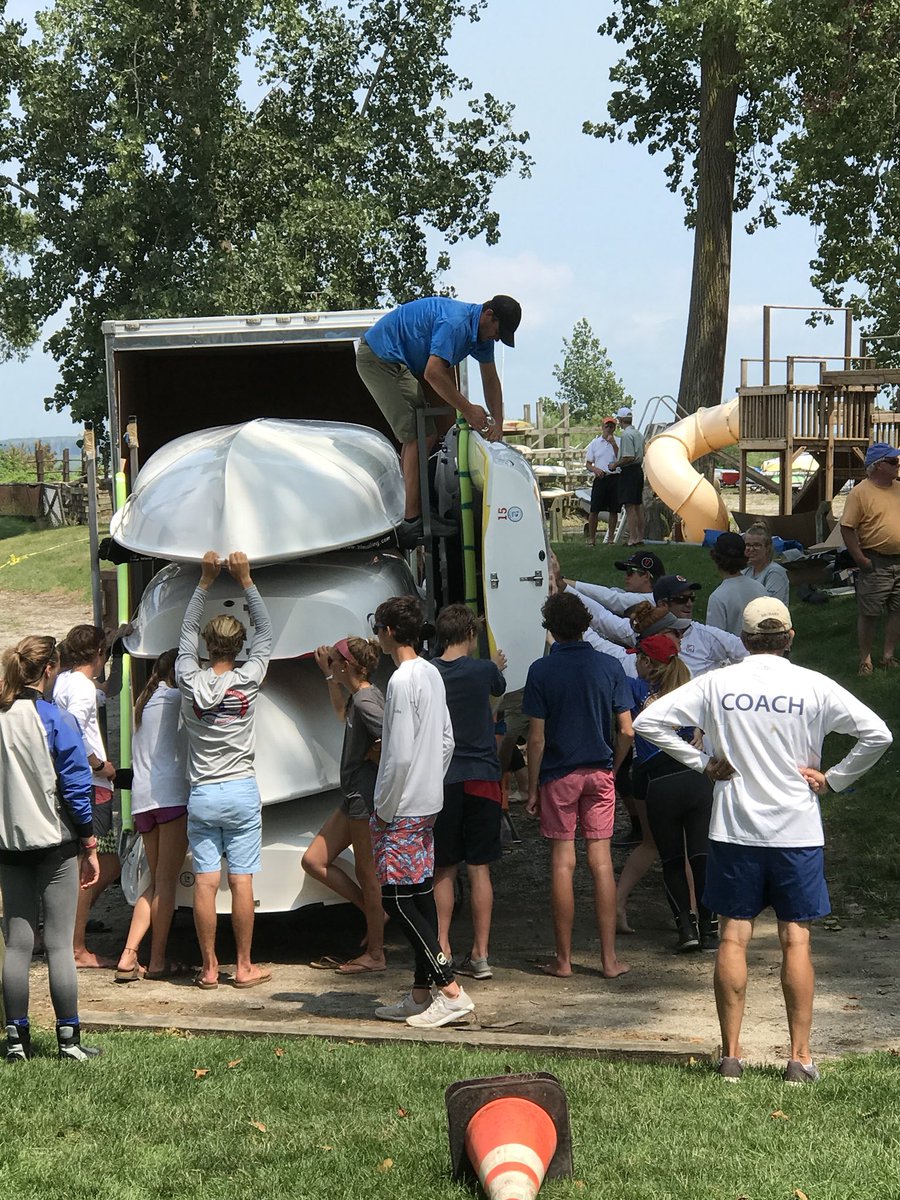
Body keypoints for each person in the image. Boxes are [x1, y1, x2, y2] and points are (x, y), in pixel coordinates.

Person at [633, 596, 892, 1083]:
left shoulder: (719, 682)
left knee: (733, 934)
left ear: (745, 641)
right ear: (790, 637)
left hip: (735, 828)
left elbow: (649, 722)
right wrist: (834, 778)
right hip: (797, 828)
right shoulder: (813, 685)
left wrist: (702, 763)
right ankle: (799, 1058)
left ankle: (731, 1056)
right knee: (796, 938)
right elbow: (877, 734)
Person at [368, 597, 471, 1028]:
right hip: (429, 799)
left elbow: (399, 755)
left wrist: (386, 807)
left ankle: (450, 990)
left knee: (397, 897)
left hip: (404, 805)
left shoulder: (399, 680)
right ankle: (419, 991)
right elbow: (445, 740)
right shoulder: (430, 671)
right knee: (419, 893)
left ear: (389, 632)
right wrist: (431, 779)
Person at [1, 636, 102, 1061]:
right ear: (48, 670)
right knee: (59, 944)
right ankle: (68, 1040)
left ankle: (15, 1041)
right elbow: (77, 786)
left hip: (8, 842)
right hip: (55, 842)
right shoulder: (55, 719)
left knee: (17, 944)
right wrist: (89, 839)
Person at [176, 550, 273, 990]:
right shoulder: (248, 678)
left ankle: (210, 968)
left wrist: (204, 581)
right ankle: (245, 966)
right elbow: (266, 634)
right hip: (240, 791)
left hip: (203, 793)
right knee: (242, 881)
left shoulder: (186, 677)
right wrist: (246, 579)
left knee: (205, 882)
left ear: (206, 646)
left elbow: (185, 634)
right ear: (238, 647)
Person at [523, 591, 633, 980]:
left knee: (562, 864)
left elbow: (535, 739)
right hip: (599, 772)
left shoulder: (541, 671)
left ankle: (564, 960)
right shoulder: (609, 666)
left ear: (551, 628)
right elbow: (626, 731)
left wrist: (533, 787)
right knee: (601, 864)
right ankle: (608, 960)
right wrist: (614, 769)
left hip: (559, 775)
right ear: (586, 624)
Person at [356, 295, 521, 547]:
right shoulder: (456, 323)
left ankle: (414, 508)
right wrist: (467, 409)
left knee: (426, 433)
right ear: (489, 315)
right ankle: (411, 522)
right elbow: (433, 373)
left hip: (397, 364)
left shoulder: (481, 334)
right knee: (414, 435)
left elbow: (490, 379)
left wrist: (498, 424)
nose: (496, 338)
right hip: (377, 359)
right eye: (498, 332)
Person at [302, 635, 387, 975]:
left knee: (369, 875)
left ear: (348, 665)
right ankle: (373, 913)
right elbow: (340, 711)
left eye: (335, 660)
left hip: (363, 800)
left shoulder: (367, 702)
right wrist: (326, 675)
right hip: (351, 796)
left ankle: (377, 955)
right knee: (314, 860)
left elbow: (396, 739)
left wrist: (374, 756)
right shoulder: (359, 697)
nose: (331, 663)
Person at [431, 604, 507, 980]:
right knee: (480, 868)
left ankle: (441, 947)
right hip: (482, 776)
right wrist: (495, 662)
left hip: (442, 779)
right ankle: (481, 954)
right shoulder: (484, 670)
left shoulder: (428, 672)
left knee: (443, 866)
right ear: (470, 635)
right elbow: (498, 689)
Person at [629, 634, 716, 951]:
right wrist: (699, 729)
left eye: (639, 657)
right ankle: (710, 928)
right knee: (702, 857)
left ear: (648, 662)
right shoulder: (690, 688)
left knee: (672, 860)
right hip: (695, 779)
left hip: (659, 781)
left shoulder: (635, 688)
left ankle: (686, 928)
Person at [114, 649, 191, 983]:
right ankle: (157, 959)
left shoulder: (143, 704)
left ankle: (128, 954)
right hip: (170, 796)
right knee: (165, 884)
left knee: (152, 881)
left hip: (142, 801)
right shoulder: (177, 699)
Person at [53, 624, 121, 969]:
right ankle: (76, 944)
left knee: (86, 866)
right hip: (93, 785)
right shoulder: (80, 688)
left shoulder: (66, 681)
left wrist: (119, 651)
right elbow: (74, 733)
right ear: (97, 654)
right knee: (100, 866)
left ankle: (65, 930)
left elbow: (108, 690)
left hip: (72, 784)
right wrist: (100, 765)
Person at [839, 441, 900, 675]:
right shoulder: (859, 493)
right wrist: (860, 559)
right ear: (878, 466)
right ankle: (865, 660)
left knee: (897, 610)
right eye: (893, 461)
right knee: (869, 612)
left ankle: (888, 656)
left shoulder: (898, 488)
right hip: (875, 561)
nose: (897, 465)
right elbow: (847, 528)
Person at [706, 532, 766, 635]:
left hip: (732, 650)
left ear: (715, 558)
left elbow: (714, 640)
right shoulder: (759, 588)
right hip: (760, 649)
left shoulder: (718, 597)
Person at [609, 406, 645, 545]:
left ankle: (632, 538)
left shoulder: (626, 435)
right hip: (638, 471)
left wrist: (615, 464)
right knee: (638, 505)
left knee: (629, 506)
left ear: (621, 420)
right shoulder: (638, 434)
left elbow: (628, 457)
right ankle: (640, 537)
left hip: (629, 471)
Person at [584, 417, 620, 546]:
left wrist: (614, 444)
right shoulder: (595, 443)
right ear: (602, 427)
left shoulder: (619, 441)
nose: (609, 429)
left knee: (614, 510)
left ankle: (610, 538)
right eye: (607, 426)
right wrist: (595, 469)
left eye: (611, 427)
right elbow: (588, 463)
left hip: (614, 477)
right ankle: (592, 539)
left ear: (615, 428)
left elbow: (620, 457)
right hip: (600, 477)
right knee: (594, 509)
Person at [742, 523, 790, 604]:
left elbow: (770, 605)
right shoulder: (746, 572)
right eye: (748, 545)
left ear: (767, 548)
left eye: (757, 545)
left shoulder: (775, 573)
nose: (751, 549)